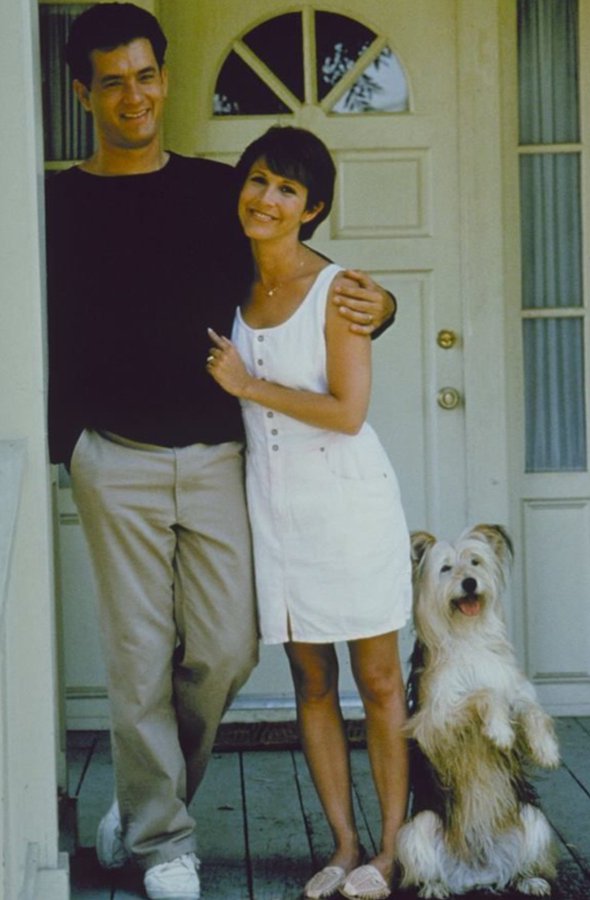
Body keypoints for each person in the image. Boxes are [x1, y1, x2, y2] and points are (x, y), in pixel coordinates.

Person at [45, 5, 397, 900]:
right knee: (135, 653)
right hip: (113, 455)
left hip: (213, 454)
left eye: (146, 74)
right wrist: (68, 441)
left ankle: (145, 796)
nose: (135, 95)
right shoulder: (53, 200)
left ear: (164, 77)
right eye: (112, 80)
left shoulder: (215, 189)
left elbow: (293, 261)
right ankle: (165, 841)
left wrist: (377, 304)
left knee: (228, 648)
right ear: (84, 92)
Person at [207, 126, 411, 900]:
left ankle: (390, 851)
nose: (266, 199)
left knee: (380, 678)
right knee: (310, 675)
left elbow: (348, 412)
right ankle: (343, 842)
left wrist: (247, 385)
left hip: (348, 503)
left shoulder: (341, 291)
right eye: (259, 180)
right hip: (275, 506)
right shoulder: (230, 283)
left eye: (287, 189)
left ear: (313, 207)